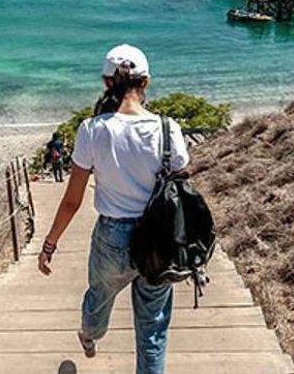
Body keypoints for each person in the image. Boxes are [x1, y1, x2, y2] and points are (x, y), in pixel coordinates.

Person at [37, 44, 189, 374]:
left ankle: (90, 335)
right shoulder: (168, 129)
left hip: (112, 237)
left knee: (98, 298)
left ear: (107, 82)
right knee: (152, 330)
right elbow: (179, 187)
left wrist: (49, 244)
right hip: (159, 240)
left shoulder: (93, 130)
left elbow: (71, 200)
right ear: (145, 82)